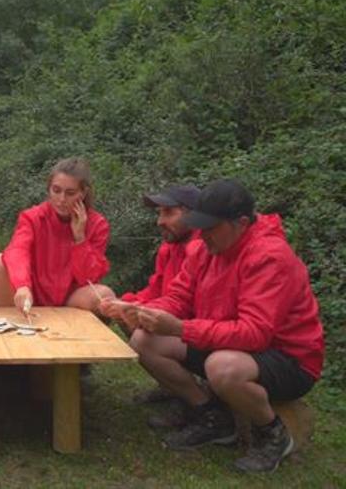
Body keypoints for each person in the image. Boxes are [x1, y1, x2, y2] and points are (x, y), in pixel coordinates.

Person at [100, 179, 325, 473]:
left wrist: (181, 329)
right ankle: (212, 417)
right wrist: (142, 311)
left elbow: (255, 334)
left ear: (241, 223)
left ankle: (272, 434)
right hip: (231, 345)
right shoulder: (206, 249)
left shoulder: (269, 257)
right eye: (200, 226)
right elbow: (179, 297)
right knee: (145, 340)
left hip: (289, 358)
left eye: (209, 227)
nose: (202, 234)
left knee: (223, 367)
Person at [0, 157, 114, 313]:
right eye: (56, 190)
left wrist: (80, 238)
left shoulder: (98, 224)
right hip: (33, 293)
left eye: (70, 193)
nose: (61, 199)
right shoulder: (32, 217)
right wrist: (22, 285)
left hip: (71, 298)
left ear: (83, 193)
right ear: (49, 189)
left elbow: (88, 278)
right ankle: (16, 325)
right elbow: (17, 250)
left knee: (104, 294)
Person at [117, 185, 202, 413]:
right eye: (159, 213)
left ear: (193, 215)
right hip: (179, 322)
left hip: (197, 329)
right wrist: (129, 303)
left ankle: (203, 406)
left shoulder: (202, 249)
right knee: (126, 315)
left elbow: (194, 307)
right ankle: (172, 385)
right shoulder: (170, 247)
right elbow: (157, 290)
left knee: (142, 338)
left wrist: (143, 310)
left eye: (168, 213)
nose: (160, 221)